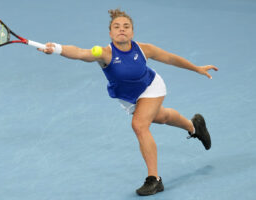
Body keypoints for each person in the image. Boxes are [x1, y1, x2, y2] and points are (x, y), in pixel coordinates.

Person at [38, 8, 218, 196]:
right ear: (110, 33)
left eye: (126, 26)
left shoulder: (144, 49)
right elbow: (80, 53)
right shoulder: (105, 53)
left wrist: (196, 68)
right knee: (162, 117)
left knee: (140, 125)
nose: (121, 29)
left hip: (151, 87)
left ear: (132, 32)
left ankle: (154, 179)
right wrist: (57, 48)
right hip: (128, 98)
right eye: (116, 27)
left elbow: (171, 59)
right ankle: (195, 126)